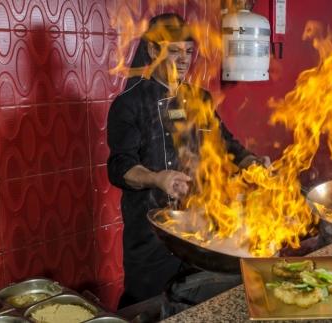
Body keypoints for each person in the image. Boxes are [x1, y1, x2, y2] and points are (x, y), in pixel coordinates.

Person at [107, 13, 271, 308]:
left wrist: (251, 162)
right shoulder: (129, 103)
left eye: (188, 52)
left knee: (201, 305)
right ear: (154, 51)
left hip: (201, 230)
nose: (184, 60)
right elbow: (120, 167)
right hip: (151, 237)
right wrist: (158, 178)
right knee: (148, 306)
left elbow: (227, 145)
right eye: (174, 51)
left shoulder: (200, 99)